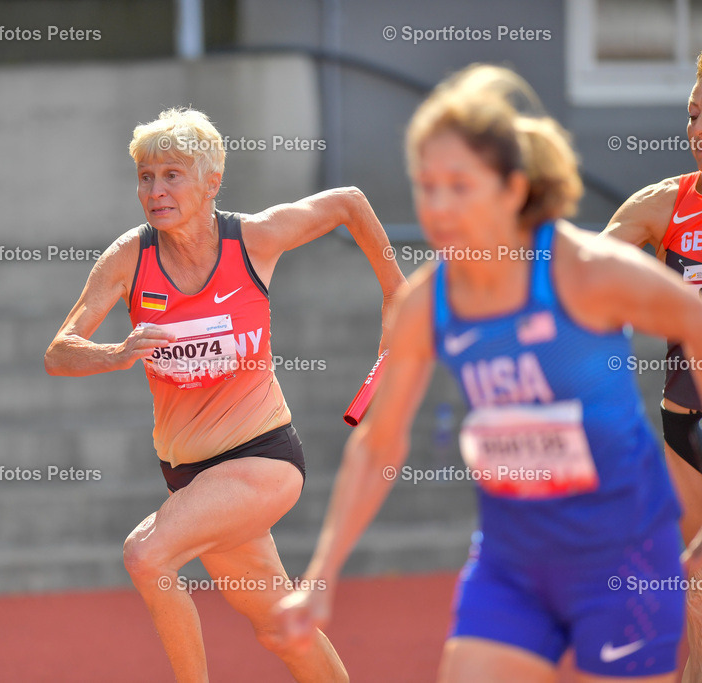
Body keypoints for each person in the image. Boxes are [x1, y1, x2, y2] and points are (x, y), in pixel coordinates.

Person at [275, 64, 702, 682]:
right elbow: (378, 445)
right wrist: (319, 576)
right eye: (426, 187)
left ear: (512, 188)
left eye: (459, 186)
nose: (438, 208)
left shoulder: (590, 272)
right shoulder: (429, 302)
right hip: (514, 563)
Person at [44, 107, 406, 682]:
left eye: (172, 174)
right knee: (280, 627)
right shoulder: (128, 259)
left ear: (212, 182)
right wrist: (116, 352)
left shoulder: (253, 240)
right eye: (145, 176)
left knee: (146, 555)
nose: (155, 190)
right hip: (190, 474)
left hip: (262, 458)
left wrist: (395, 293)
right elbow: (59, 352)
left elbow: (349, 203)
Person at [601, 50, 702, 683]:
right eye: (694, 114)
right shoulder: (664, 206)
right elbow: (584, 284)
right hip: (685, 429)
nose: (698, 131)